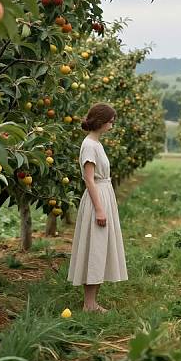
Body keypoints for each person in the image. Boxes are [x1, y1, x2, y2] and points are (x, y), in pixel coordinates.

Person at [67, 103, 127, 312]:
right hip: (97, 197)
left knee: (100, 248)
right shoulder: (90, 145)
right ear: (101, 121)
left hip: (103, 194)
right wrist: (100, 209)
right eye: (111, 121)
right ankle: (89, 304)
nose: (112, 124)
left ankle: (92, 303)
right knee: (95, 248)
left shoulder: (96, 144)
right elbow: (89, 180)